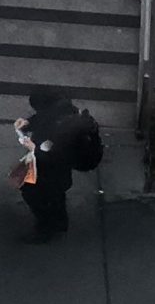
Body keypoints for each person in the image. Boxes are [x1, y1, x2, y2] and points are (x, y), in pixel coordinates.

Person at [16, 87, 105, 241]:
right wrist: (28, 123)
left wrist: (32, 147)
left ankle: (47, 228)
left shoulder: (59, 127)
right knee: (55, 193)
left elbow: (51, 154)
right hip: (62, 165)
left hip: (55, 166)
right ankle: (59, 222)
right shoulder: (63, 111)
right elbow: (42, 119)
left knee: (34, 192)